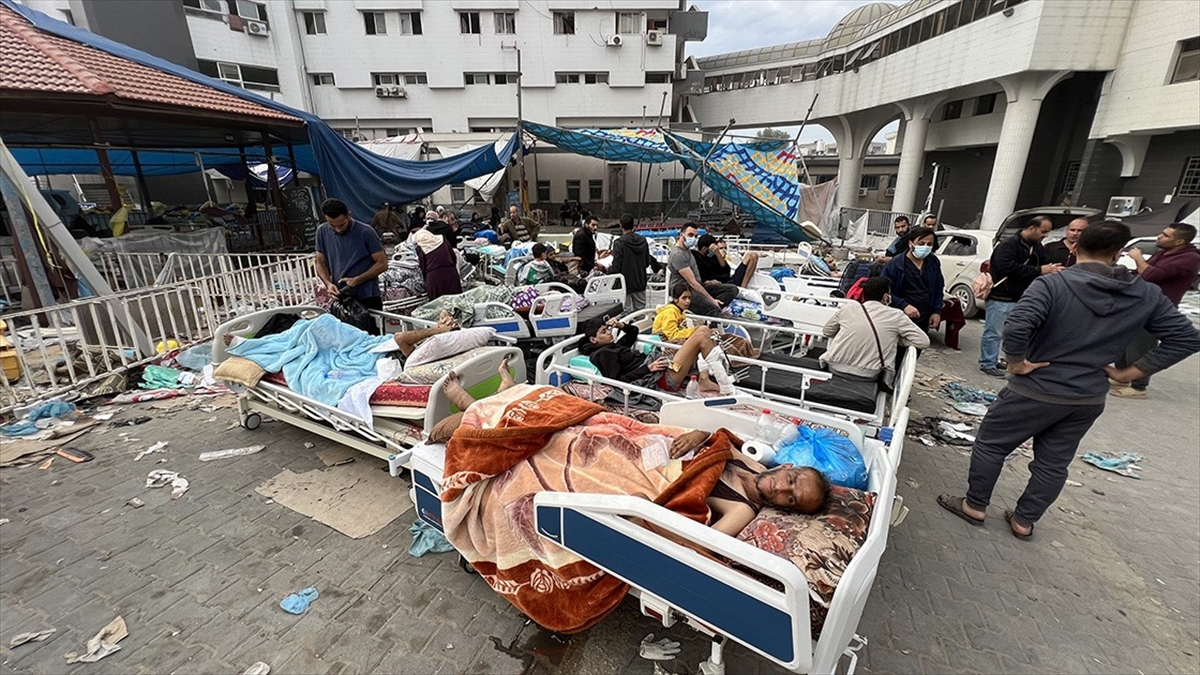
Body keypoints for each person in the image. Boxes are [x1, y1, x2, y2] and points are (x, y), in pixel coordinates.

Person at [937, 221, 1200, 540]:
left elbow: (1017, 325)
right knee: (1052, 463)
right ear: (1118, 253)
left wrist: (1017, 363)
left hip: (1035, 389)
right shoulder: (1145, 294)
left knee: (992, 445)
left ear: (1075, 247)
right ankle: (1024, 521)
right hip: (1086, 397)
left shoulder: (1053, 285)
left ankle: (975, 505)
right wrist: (1128, 374)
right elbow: (1187, 338)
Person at [436, 373, 832, 536]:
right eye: (792, 480)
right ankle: (506, 398)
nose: (782, 489)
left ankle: (474, 410)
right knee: (571, 414)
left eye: (791, 500)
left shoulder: (743, 510)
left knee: (552, 446)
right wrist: (698, 434)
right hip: (644, 442)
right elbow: (717, 439)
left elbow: (701, 544)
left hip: (635, 473)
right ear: (790, 466)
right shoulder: (755, 460)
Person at [1111, 222, 1200, 398]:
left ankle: (1139, 386)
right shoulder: (1163, 253)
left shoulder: (1190, 258)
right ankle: (1122, 376)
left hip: (1156, 309)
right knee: (1125, 342)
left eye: (1166, 235)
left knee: (1141, 345)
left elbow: (1151, 275)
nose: (1160, 236)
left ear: (1179, 241)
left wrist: (1138, 258)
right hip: (1138, 303)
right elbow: (1142, 274)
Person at [978, 216, 1061, 377]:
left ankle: (1001, 360)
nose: (1045, 235)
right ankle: (987, 363)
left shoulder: (1036, 247)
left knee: (1012, 333)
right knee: (994, 332)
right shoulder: (1008, 245)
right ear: (1031, 228)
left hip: (1021, 297)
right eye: (1043, 231)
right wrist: (1038, 270)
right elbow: (1005, 267)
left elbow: (1045, 262)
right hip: (1001, 296)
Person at [580, 317, 735, 395]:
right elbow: (616, 381)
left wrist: (621, 325)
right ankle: (725, 386)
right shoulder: (603, 354)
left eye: (607, 329)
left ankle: (704, 380)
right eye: (603, 332)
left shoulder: (614, 346)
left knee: (705, 332)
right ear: (593, 340)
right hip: (659, 379)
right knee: (701, 333)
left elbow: (633, 332)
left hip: (662, 367)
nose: (609, 333)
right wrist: (648, 368)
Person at [821, 277, 930, 383]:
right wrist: (895, 339)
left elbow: (827, 331)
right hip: (868, 374)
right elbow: (923, 341)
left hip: (834, 366)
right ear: (886, 297)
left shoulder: (848, 308)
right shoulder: (896, 315)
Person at [314, 198, 388, 331]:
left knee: (370, 338)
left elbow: (382, 264)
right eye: (332, 225)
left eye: (341, 225)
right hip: (340, 297)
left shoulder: (366, 232)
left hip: (367, 297)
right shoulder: (322, 231)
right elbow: (319, 263)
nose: (338, 229)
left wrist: (357, 280)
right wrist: (328, 283)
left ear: (349, 215)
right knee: (344, 337)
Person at [880, 227, 945, 333]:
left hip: (924, 317)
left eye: (929, 244)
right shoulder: (896, 264)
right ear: (911, 244)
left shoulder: (933, 262)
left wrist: (936, 311)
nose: (925, 247)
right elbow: (883, 291)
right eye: (921, 243)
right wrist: (903, 305)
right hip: (899, 317)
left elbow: (938, 288)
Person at [668, 223, 738, 317]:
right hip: (684, 290)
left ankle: (715, 307)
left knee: (732, 289)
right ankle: (713, 317)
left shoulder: (687, 250)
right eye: (690, 235)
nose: (693, 238)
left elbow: (724, 268)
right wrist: (711, 300)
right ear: (681, 235)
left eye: (695, 236)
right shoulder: (678, 255)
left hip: (697, 285)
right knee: (712, 308)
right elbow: (692, 282)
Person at [610, 213, 656, 312]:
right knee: (640, 311)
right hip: (640, 281)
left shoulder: (619, 243)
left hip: (624, 283)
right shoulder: (643, 241)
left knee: (625, 312)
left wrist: (608, 270)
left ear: (621, 225)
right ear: (633, 225)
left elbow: (616, 266)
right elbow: (647, 262)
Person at [413, 219, 462, 301]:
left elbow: (423, 265)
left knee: (437, 303)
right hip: (450, 273)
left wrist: (426, 279)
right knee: (454, 301)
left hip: (434, 277)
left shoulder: (421, 247)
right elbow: (453, 256)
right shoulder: (442, 239)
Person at [693, 235, 760, 288]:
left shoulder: (713, 256)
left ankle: (743, 287)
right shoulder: (697, 259)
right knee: (752, 255)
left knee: (753, 256)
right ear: (705, 249)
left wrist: (718, 254)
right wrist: (707, 281)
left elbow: (726, 269)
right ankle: (742, 288)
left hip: (728, 280)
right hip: (720, 284)